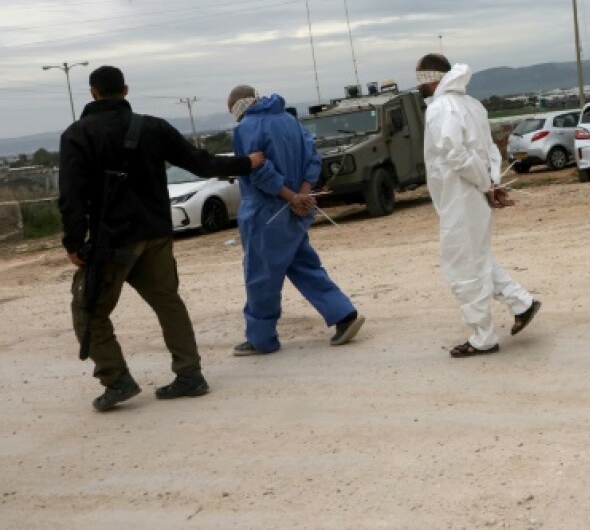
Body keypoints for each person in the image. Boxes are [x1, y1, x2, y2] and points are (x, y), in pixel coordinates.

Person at [58, 66, 262, 412]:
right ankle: (189, 375)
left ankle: (117, 380)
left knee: (89, 312)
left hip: (114, 239)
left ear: (93, 93)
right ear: (125, 89)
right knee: (168, 303)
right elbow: (200, 162)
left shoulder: (77, 134)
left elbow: (71, 194)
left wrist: (74, 243)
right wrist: (246, 163)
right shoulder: (152, 126)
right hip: (155, 234)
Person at [416, 53, 541, 358]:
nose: (418, 86)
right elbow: (490, 153)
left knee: (462, 266)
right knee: (478, 257)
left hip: (461, 197)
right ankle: (521, 302)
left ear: (433, 77)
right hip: (472, 193)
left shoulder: (441, 108)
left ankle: (482, 337)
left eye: (420, 78)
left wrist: (487, 186)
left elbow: (455, 154)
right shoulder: (472, 105)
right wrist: (491, 184)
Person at [227, 85, 365, 355]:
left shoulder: (246, 128)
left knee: (260, 275)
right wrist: (303, 193)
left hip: (266, 212)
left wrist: (290, 196)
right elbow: (313, 156)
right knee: (303, 265)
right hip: (296, 210)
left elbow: (257, 170)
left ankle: (261, 338)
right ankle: (343, 315)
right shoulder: (289, 120)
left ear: (237, 107)